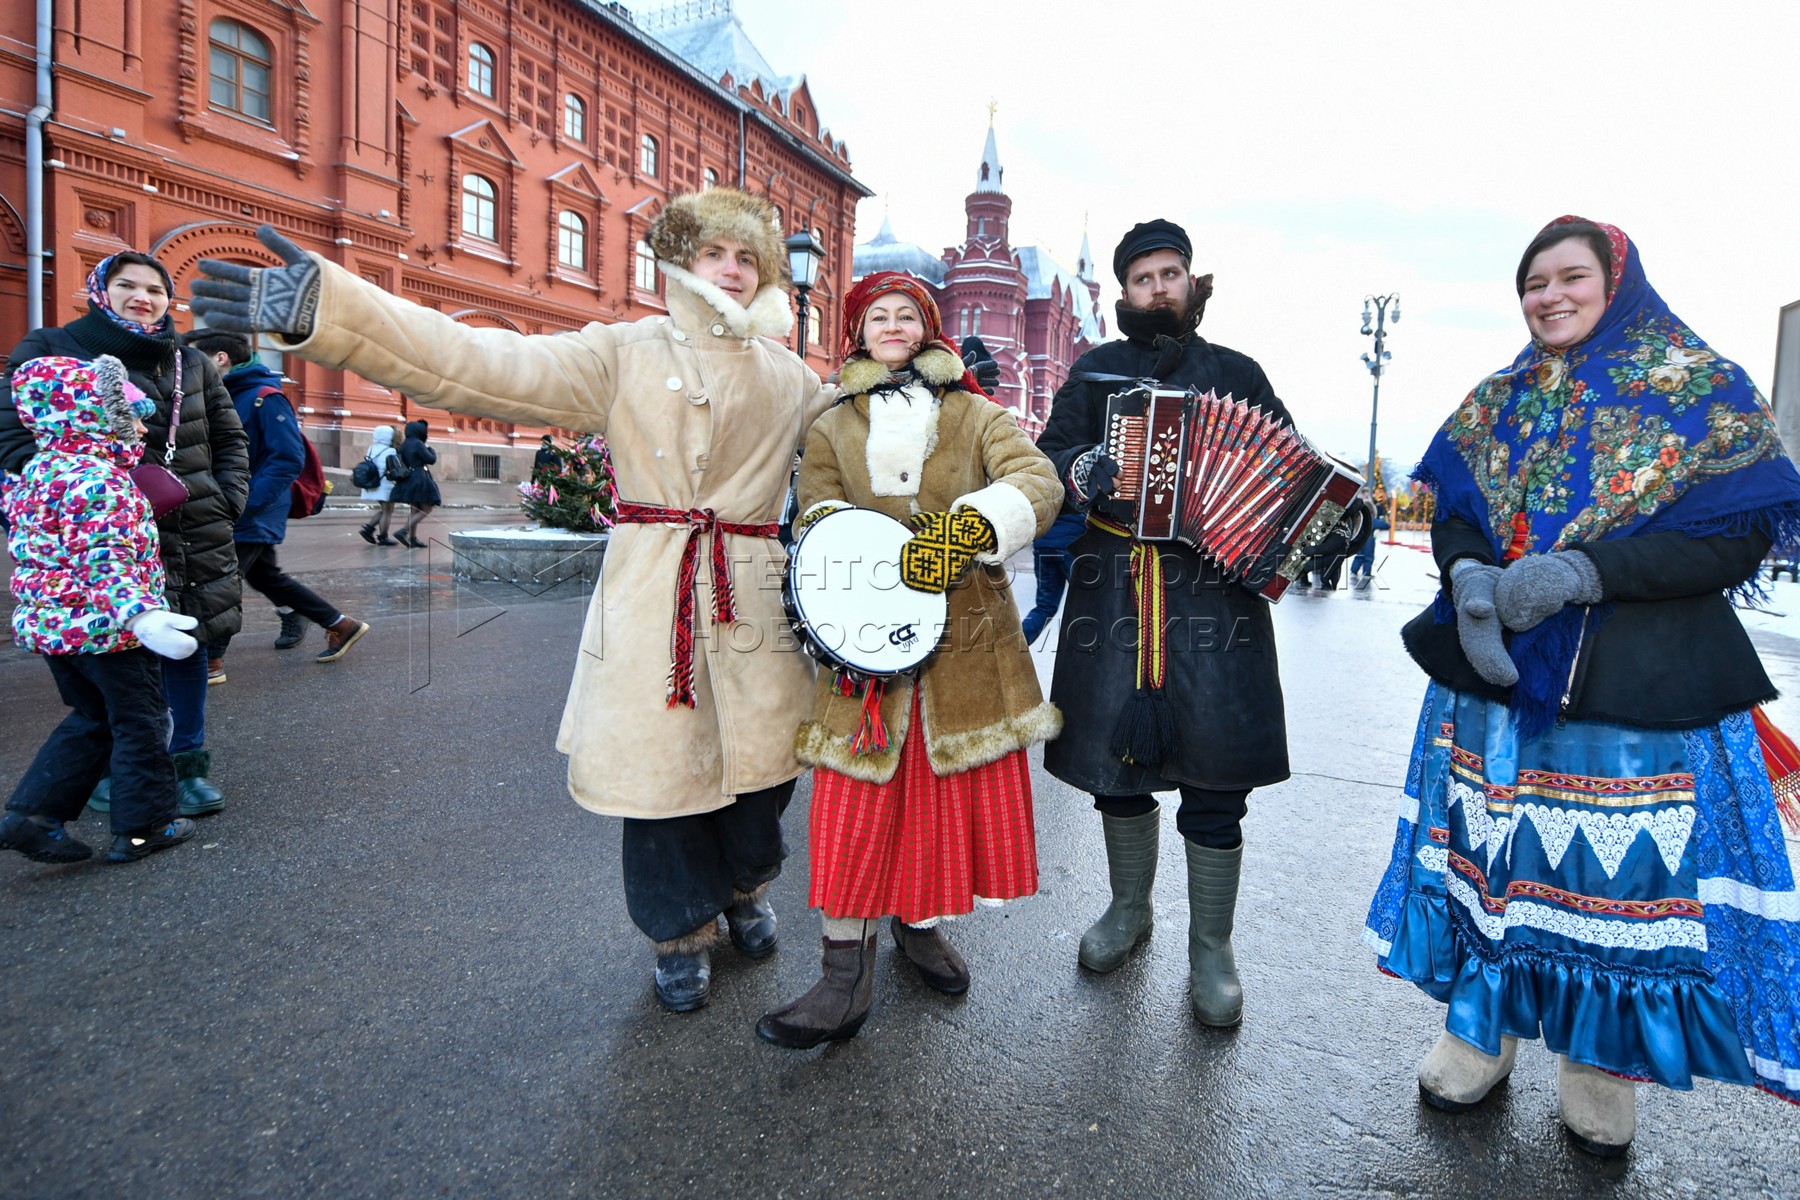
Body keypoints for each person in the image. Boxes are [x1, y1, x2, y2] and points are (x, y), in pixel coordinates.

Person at [191, 190, 835, 1011]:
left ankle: (747, 885)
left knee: (761, 772)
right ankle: (678, 931)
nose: (733, 270)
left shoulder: (790, 374)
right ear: (681, 263)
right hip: (653, 591)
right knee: (660, 773)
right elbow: (478, 360)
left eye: (749, 257)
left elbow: (865, 432)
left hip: (752, 592)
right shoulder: (622, 352)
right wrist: (337, 308)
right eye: (716, 253)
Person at [1363, 216, 1800, 1156]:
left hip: (1635, 687)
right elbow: (1457, 512)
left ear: (1617, 282)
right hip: (1497, 679)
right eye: (1533, 282)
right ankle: (1478, 1033)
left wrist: (1590, 572)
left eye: (1571, 277)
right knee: (1493, 863)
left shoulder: (1699, 389)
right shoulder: (1499, 400)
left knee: (1616, 888)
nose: (1549, 296)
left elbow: (1739, 535)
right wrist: (1470, 577)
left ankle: (1597, 1065)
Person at [755, 272, 1062, 1049]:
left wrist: (961, 533)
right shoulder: (829, 428)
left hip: (964, 644)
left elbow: (1037, 480)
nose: (892, 325)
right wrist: (863, 570)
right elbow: (816, 512)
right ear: (857, 333)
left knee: (935, 798)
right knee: (855, 804)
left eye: (907, 315)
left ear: (926, 327)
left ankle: (916, 926)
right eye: (877, 316)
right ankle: (840, 975)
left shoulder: (975, 413)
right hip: (864, 646)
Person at [1036, 218, 1324, 1029]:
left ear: (1193, 283)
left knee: (1215, 773)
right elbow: (1048, 458)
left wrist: (1328, 521)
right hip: (1116, 584)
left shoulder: (1238, 373)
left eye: (1171, 274)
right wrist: (1080, 469)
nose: (1157, 288)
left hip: (1216, 592)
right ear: (1124, 292)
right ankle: (1129, 912)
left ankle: (1212, 947)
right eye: (1142, 278)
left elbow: (1288, 465)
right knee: (1115, 766)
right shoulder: (1095, 372)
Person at [1, 251, 247, 818]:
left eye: (156, 289)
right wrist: (48, 511)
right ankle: (122, 770)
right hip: (94, 529)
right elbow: (10, 437)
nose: (144, 297)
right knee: (117, 658)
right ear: (99, 290)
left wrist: (227, 499)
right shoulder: (51, 348)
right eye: (126, 285)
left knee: (189, 638)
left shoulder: (192, 361)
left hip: (189, 526)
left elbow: (229, 438)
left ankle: (185, 764)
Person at [0, 356, 200, 863]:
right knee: (143, 722)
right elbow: (104, 564)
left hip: (55, 630)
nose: (141, 426)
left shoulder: (39, 471)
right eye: (130, 414)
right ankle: (145, 827)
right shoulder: (101, 483)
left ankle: (32, 815)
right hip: (109, 632)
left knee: (92, 716)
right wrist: (143, 617)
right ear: (91, 415)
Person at [187, 331, 370, 667]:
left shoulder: (264, 397)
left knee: (221, 580)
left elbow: (287, 457)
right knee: (263, 576)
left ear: (220, 359)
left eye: (193, 356)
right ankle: (340, 624)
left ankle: (209, 661)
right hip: (232, 505)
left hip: (252, 506)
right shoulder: (221, 395)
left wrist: (246, 503)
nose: (185, 364)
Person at [1021, 510, 1087, 644]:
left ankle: (1014, 646)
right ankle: (1085, 654)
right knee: (1085, 605)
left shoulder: (1045, 489)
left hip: (1043, 544)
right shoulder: (1078, 489)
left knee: (1045, 606)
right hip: (1071, 544)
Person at [388, 419, 441, 549]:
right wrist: (431, 450)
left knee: (414, 509)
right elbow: (431, 459)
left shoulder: (404, 444)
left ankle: (413, 538)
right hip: (420, 477)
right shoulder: (418, 444)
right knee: (427, 508)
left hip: (408, 479)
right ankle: (404, 531)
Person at [356, 425, 402, 544]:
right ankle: (383, 537)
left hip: (373, 483)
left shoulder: (372, 448)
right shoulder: (391, 451)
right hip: (385, 485)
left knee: (385, 510)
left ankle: (369, 529)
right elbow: (392, 469)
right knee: (388, 510)